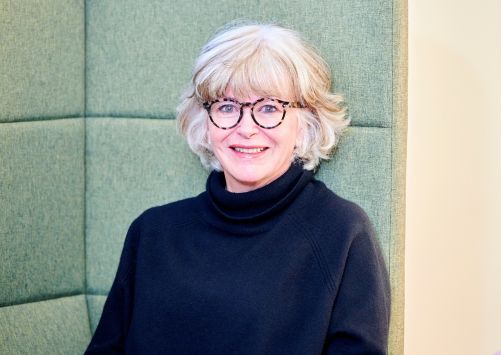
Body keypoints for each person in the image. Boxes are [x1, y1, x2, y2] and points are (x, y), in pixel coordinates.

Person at [85, 21, 390, 354]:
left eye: (270, 108)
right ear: (204, 122)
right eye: (228, 107)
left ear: (306, 124)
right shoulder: (152, 232)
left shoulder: (341, 232)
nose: (246, 128)